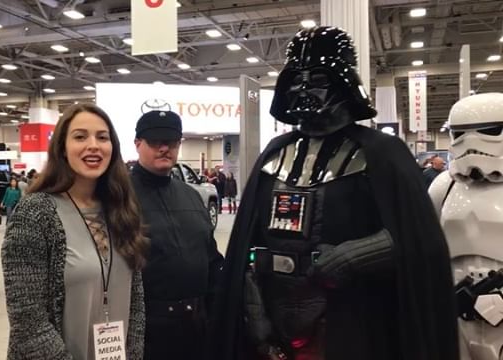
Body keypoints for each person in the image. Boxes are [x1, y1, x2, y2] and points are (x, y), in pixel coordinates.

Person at [211, 26, 458, 360]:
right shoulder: (275, 152)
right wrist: (253, 311)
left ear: (344, 84)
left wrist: (356, 254)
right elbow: (247, 244)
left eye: (317, 80)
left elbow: (418, 241)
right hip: (274, 310)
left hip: (352, 317)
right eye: (295, 80)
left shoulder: (382, 153)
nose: (303, 89)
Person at [1, 103, 147, 360]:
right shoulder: (35, 213)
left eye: (102, 137)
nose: (93, 145)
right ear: (62, 149)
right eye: (80, 136)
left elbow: (135, 304)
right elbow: (28, 323)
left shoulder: (120, 210)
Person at [130, 110, 223, 360]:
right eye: (154, 141)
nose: (164, 148)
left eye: (170, 142)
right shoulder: (120, 198)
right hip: (149, 333)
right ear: (138, 144)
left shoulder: (192, 195)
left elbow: (211, 257)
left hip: (198, 326)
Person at [428, 93, 503, 360]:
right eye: (459, 133)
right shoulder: (444, 187)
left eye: (489, 131)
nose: (470, 143)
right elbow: (427, 242)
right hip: (455, 306)